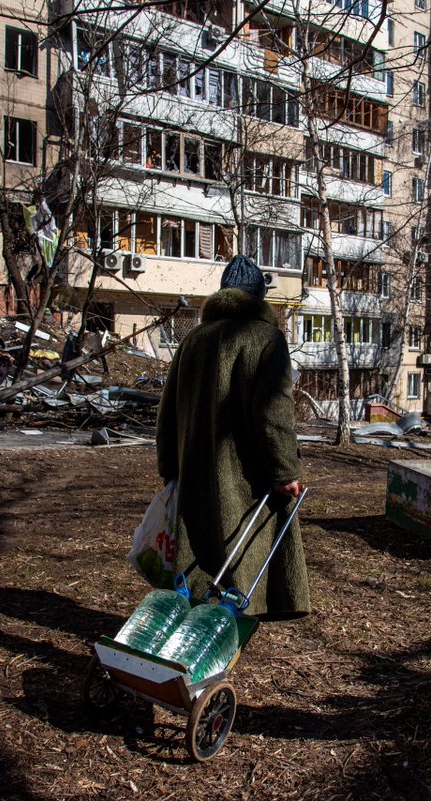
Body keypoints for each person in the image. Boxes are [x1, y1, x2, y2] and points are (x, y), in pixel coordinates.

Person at [155, 255, 309, 621]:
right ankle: (228, 623)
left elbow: (167, 410)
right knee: (242, 543)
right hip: (246, 472)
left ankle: (198, 616)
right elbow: (274, 413)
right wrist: (285, 470)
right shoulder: (266, 338)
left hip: (193, 467)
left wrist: (169, 466)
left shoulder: (194, 338)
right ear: (259, 297)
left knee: (201, 543)